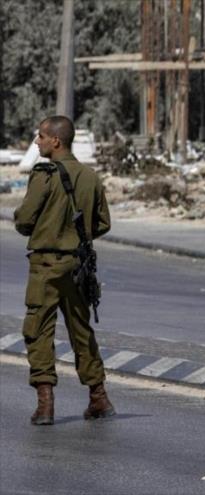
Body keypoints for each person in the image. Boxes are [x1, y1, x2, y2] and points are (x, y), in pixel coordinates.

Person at [13, 115, 115, 426]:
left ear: (56, 141)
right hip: (77, 265)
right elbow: (102, 223)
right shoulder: (89, 176)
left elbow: (24, 221)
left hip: (45, 264)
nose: (37, 141)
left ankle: (45, 403)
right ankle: (98, 396)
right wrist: (75, 237)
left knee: (38, 329)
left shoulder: (44, 174)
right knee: (81, 330)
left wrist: (46, 228)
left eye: (41, 136)